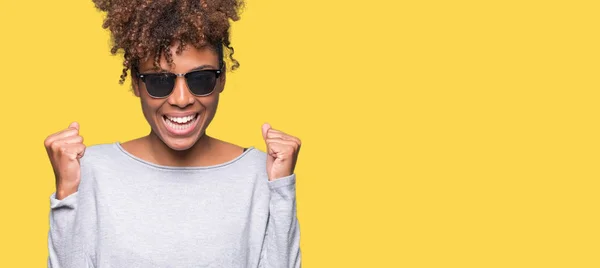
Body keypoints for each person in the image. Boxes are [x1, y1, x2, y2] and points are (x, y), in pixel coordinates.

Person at [44, 0, 302, 267]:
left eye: (200, 79)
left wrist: (281, 190)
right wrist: (67, 192)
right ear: (136, 83)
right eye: (160, 81)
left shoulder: (260, 172)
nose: (181, 99)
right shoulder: (91, 170)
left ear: (222, 78)